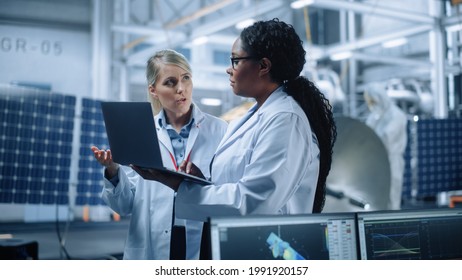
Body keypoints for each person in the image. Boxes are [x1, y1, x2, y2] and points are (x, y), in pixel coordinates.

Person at [133, 18, 336, 221]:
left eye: (236, 60)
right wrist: (199, 182)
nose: (229, 69)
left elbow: (254, 201)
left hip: (271, 245)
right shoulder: (250, 119)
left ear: (263, 66)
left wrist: (182, 187)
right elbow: (235, 186)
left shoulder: (286, 120)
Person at [91, 49, 227, 260]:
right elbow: (124, 205)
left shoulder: (220, 131)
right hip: (151, 245)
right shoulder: (140, 132)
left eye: (186, 78)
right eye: (170, 82)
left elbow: (228, 193)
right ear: (154, 90)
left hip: (201, 240)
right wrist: (112, 169)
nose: (181, 89)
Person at [364, 84, 408, 210]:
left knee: (392, 197)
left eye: (373, 101)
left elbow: (386, 137)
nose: (371, 104)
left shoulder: (397, 116)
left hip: (392, 161)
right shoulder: (375, 115)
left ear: (380, 98)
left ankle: (393, 226)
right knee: (376, 197)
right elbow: (367, 133)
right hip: (376, 161)